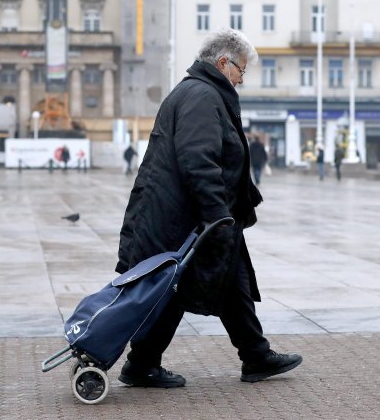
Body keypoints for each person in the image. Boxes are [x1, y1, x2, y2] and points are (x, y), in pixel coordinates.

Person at [115, 29, 302, 389]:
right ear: (222, 63)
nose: (242, 79)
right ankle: (142, 362)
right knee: (177, 286)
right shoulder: (202, 96)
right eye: (241, 71)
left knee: (231, 280)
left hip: (198, 215)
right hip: (192, 217)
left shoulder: (202, 92)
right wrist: (217, 214)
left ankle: (255, 354)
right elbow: (198, 160)